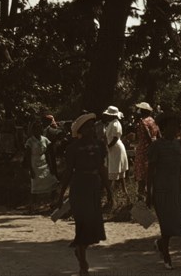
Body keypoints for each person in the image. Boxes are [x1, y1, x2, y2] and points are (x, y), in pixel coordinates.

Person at [57, 113, 113, 276]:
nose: (91, 129)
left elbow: (102, 168)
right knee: (82, 222)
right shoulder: (73, 148)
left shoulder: (99, 146)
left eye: (92, 126)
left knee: (92, 224)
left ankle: (80, 248)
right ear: (80, 130)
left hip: (94, 186)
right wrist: (61, 195)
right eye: (88, 127)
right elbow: (68, 172)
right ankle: (83, 262)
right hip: (79, 186)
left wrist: (109, 190)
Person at [146, 112, 181, 270]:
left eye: (175, 125)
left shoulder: (179, 144)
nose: (174, 128)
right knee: (166, 222)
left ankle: (160, 243)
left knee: (176, 221)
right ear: (164, 128)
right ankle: (166, 254)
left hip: (176, 187)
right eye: (171, 125)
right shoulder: (156, 146)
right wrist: (148, 192)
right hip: (161, 188)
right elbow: (150, 171)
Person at [24, 120, 59, 212]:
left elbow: (48, 153)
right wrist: (30, 169)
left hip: (44, 164)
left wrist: (51, 166)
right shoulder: (30, 141)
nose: (38, 130)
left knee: (53, 182)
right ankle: (33, 206)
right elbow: (27, 156)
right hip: (35, 164)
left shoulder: (45, 139)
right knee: (35, 186)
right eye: (36, 128)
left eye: (39, 128)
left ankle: (52, 202)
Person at [102, 106, 130, 203]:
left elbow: (115, 139)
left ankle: (109, 196)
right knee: (117, 172)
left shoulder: (115, 124)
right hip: (113, 148)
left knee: (113, 172)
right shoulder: (111, 123)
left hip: (115, 148)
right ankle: (123, 194)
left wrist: (107, 147)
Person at [133, 102, 160, 200]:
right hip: (154, 146)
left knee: (141, 173)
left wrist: (150, 145)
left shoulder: (142, 122)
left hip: (144, 149)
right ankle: (151, 194)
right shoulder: (153, 120)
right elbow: (158, 134)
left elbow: (148, 136)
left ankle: (141, 196)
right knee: (150, 172)